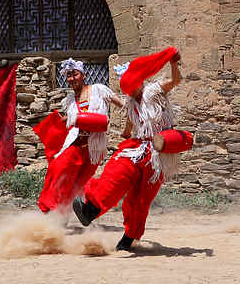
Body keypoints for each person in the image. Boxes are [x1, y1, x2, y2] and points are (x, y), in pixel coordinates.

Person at [72, 49, 193, 252]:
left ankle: (129, 238)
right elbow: (130, 123)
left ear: (140, 83)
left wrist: (173, 63)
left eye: (133, 90)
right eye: (128, 92)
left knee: (140, 199)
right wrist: (126, 133)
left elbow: (175, 80)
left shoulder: (155, 91)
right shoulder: (130, 102)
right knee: (114, 174)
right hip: (136, 147)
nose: (132, 94)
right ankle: (90, 210)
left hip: (158, 153)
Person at [35, 58, 120, 213]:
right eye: (68, 76)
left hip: (94, 149)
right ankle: (52, 209)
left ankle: (68, 215)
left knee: (79, 185)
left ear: (83, 75)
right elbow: (73, 121)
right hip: (76, 145)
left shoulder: (98, 90)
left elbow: (120, 104)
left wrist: (136, 110)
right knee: (58, 170)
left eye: (74, 74)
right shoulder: (69, 101)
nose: (72, 78)